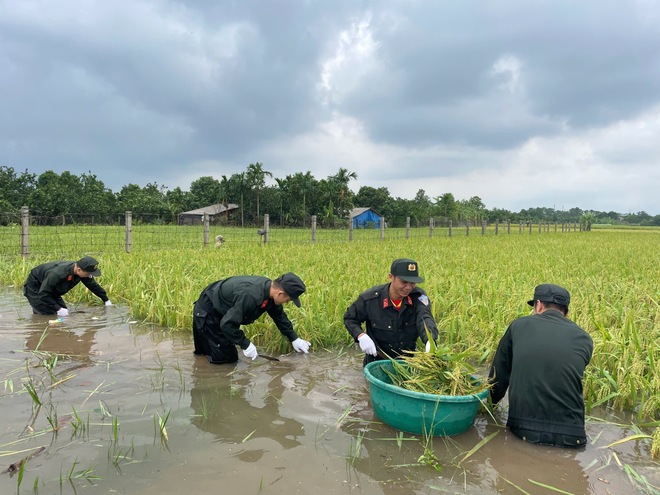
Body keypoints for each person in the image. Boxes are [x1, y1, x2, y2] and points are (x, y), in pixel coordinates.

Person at [488, 284, 593, 448]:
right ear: (566, 312)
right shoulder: (584, 338)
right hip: (574, 435)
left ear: (538, 305)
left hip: (524, 430)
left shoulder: (519, 326)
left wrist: (487, 408)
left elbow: (498, 376)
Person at [192, 272, 311, 364]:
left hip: (222, 309)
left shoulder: (269, 292)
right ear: (280, 293)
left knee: (212, 354)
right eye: (289, 300)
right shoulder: (251, 296)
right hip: (207, 312)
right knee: (225, 361)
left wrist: (294, 338)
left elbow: (279, 316)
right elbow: (227, 324)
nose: (287, 303)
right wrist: (246, 344)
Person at [344, 258, 439, 367]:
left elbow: (425, 318)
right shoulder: (371, 299)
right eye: (403, 282)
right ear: (391, 277)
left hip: (406, 365)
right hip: (376, 364)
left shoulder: (418, 297)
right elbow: (349, 318)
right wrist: (360, 335)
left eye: (412, 282)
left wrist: (429, 341)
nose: (408, 287)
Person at [23, 256, 112, 315]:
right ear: (79, 269)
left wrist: (106, 300)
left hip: (50, 286)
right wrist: (58, 309)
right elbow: (43, 294)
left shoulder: (82, 272)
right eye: (89, 273)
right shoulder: (57, 274)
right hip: (35, 286)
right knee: (45, 313)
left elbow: (92, 285)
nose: (90, 276)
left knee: (65, 313)